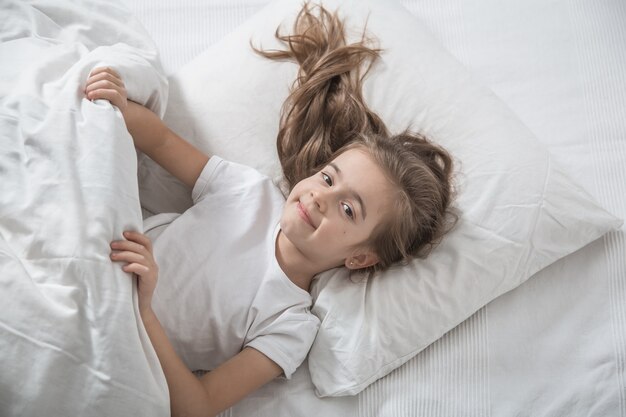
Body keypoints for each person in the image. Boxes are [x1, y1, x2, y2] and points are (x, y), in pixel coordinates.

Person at [85, 4, 455, 416]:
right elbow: (161, 143)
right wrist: (120, 105)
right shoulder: (248, 191)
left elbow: (198, 406)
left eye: (348, 209)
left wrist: (146, 309)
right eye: (328, 179)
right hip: (91, 257)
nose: (319, 197)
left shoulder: (291, 325)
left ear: (361, 257)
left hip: (122, 343)